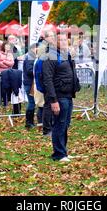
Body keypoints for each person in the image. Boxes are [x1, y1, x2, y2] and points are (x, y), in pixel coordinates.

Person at [42, 33, 80, 162]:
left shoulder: (66, 55)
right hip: (59, 96)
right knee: (59, 124)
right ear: (55, 42)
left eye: (65, 40)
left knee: (65, 124)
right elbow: (47, 79)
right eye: (61, 40)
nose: (64, 42)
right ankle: (59, 154)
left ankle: (63, 151)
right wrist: (53, 100)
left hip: (68, 95)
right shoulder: (51, 56)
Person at [39, 30, 57, 136]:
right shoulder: (43, 49)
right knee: (48, 105)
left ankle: (53, 126)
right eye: (51, 36)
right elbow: (41, 67)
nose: (53, 38)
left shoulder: (53, 48)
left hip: (54, 80)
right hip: (46, 80)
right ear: (45, 38)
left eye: (53, 36)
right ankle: (47, 129)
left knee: (52, 104)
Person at [0, 41, 15, 107]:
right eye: (6, 46)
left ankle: (5, 104)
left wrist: (4, 61)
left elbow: (12, 63)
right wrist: (7, 64)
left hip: (7, 73)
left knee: (5, 89)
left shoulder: (10, 54)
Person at [23, 43, 37, 129]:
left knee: (33, 102)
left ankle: (31, 122)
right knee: (31, 103)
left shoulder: (33, 57)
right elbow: (29, 70)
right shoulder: (30, 57)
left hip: (33, 83)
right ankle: (28, 122)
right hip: (29, 83)